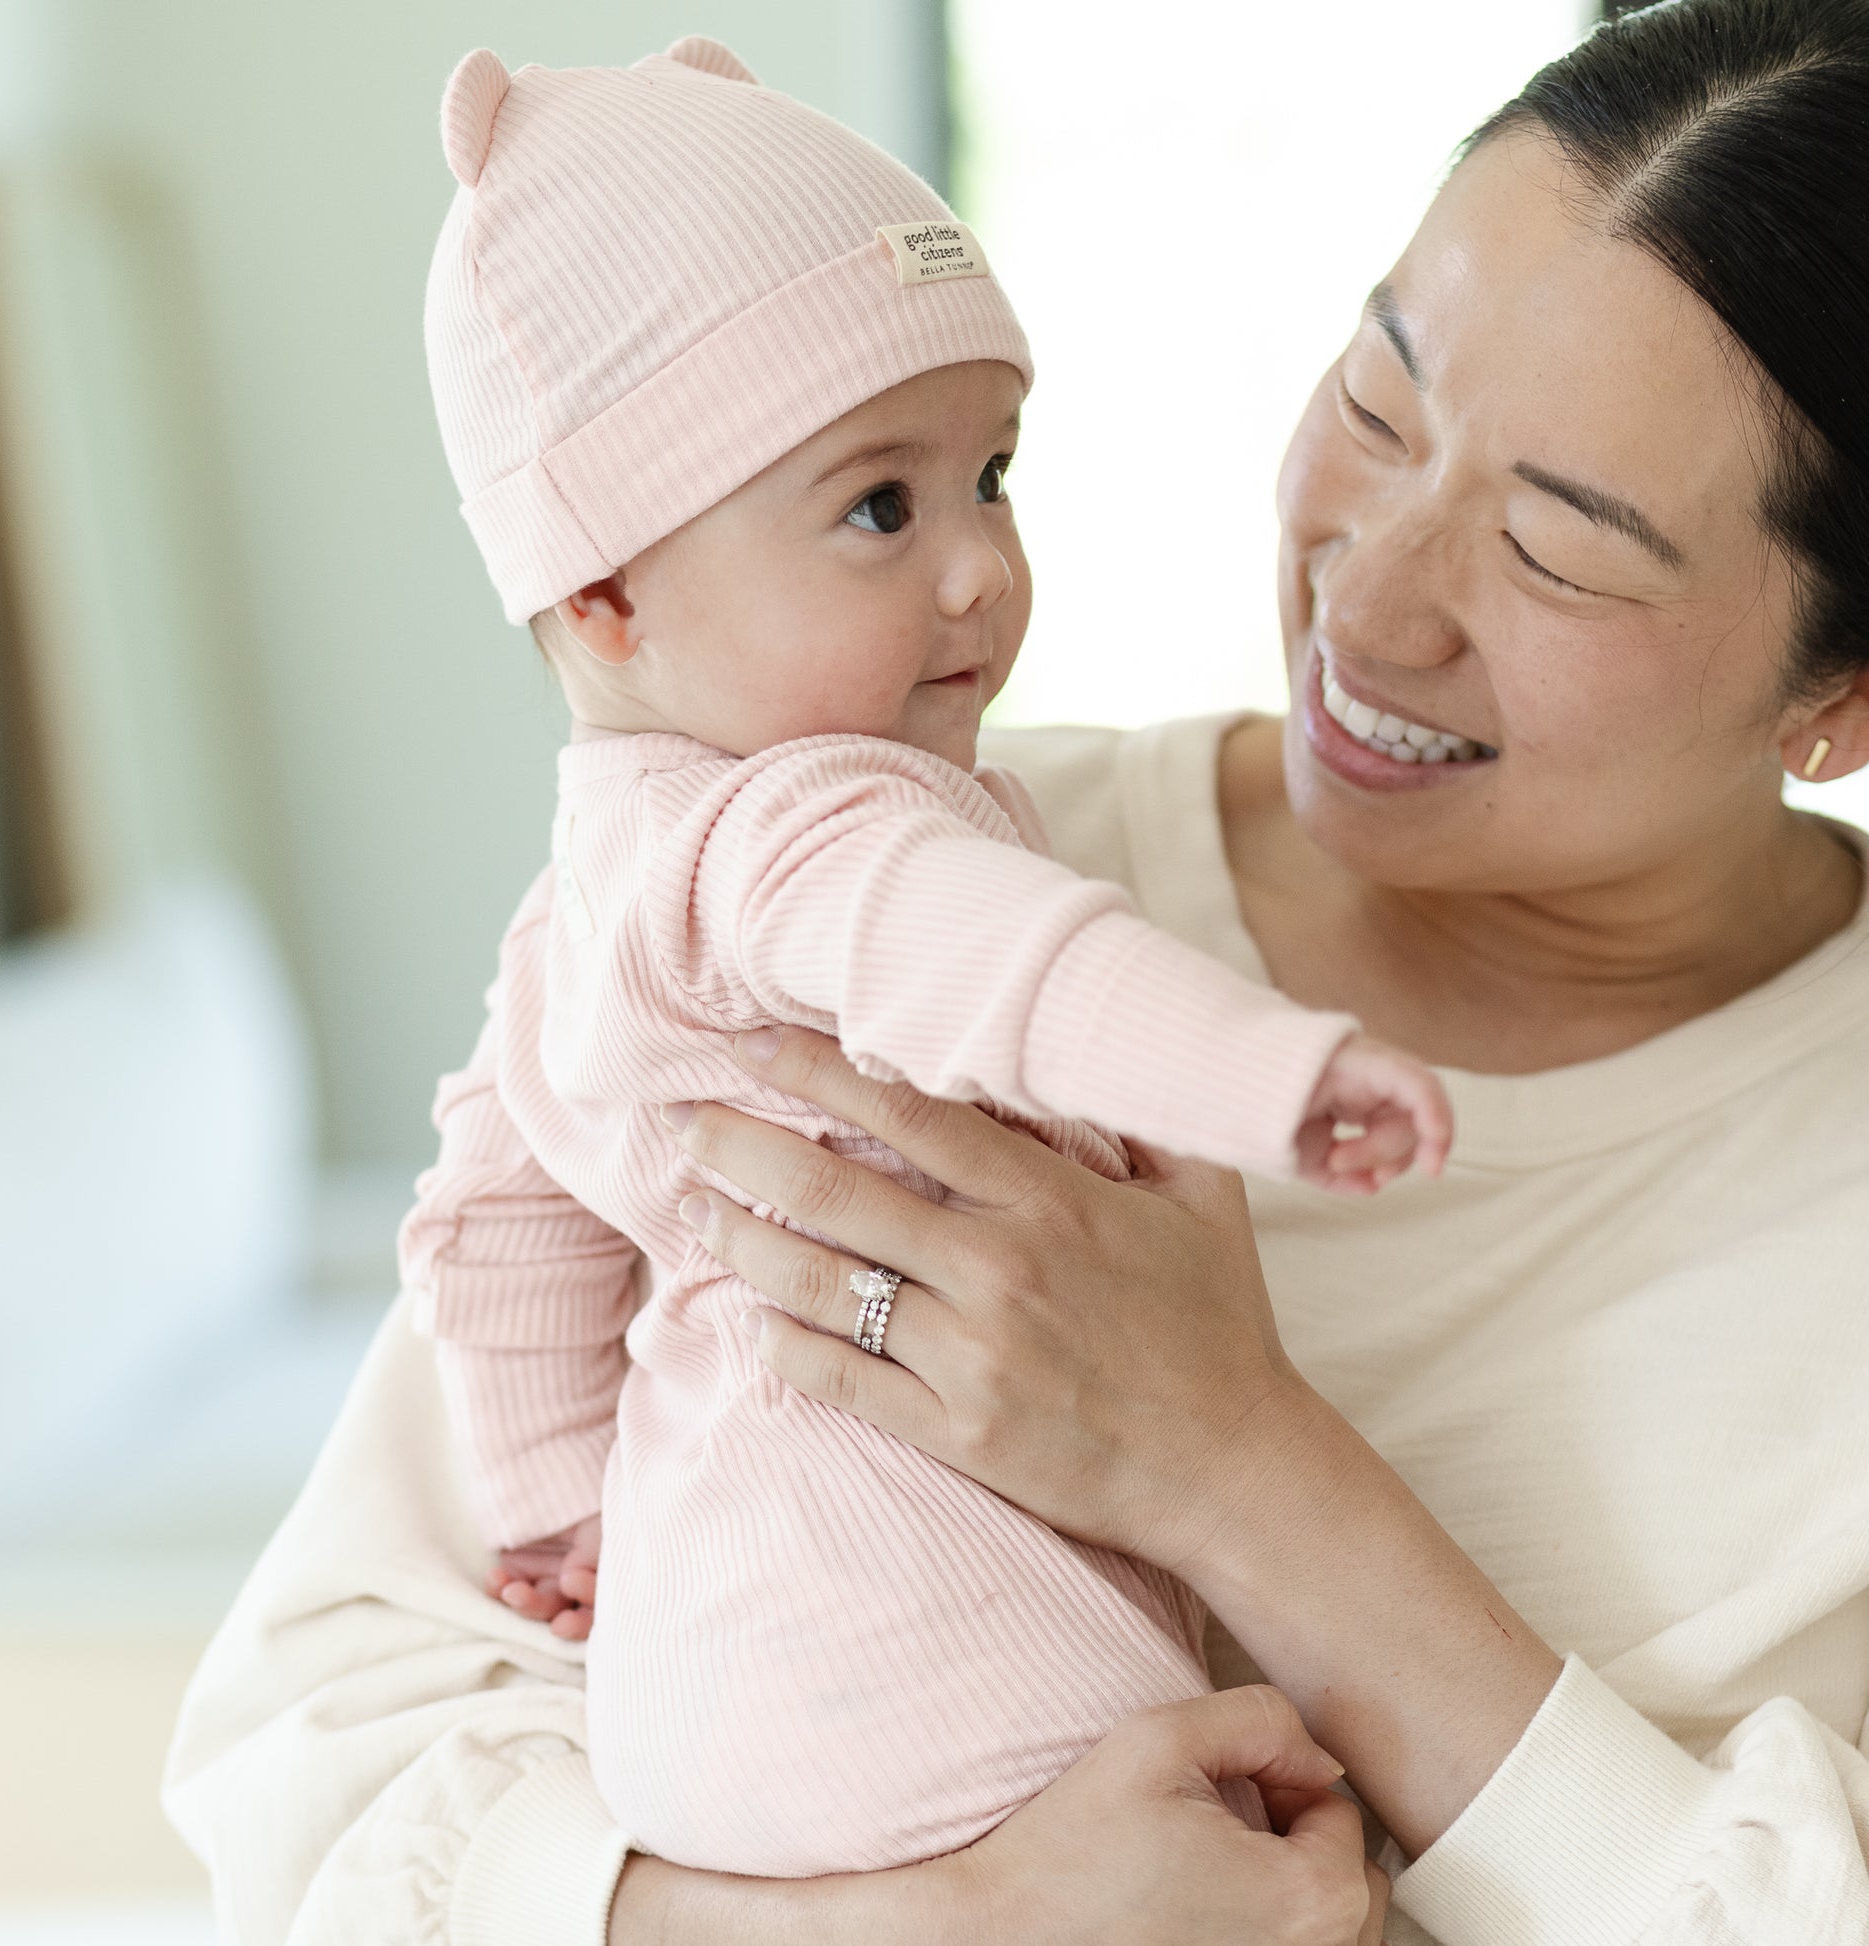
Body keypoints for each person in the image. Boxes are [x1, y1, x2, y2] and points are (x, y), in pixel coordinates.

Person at [165, 0, 1869, 1938]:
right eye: (1374, 407)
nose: (1366, 598)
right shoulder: (880, 867)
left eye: (1550, 549)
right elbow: (312, 1773)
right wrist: (927, 1922)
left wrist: (1235, 1462)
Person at [406, 33, 1450, 1881]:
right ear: (607, 590)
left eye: (993, 476)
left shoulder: (577, 909)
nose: (979, 569)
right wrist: (1272, 1076)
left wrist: (556, 1501)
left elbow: (492, 1224)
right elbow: (1010, 967)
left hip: (710, 1695)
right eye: (880, 508)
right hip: (913, 1660)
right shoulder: (800, 834)